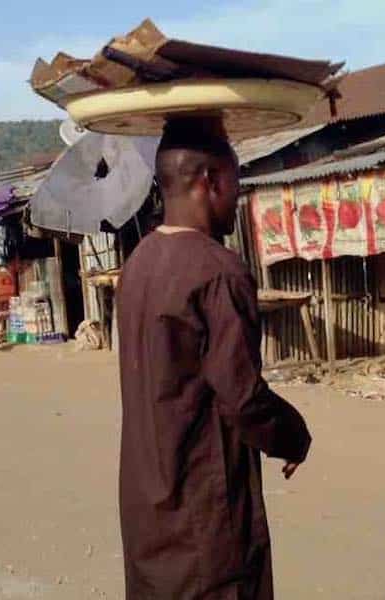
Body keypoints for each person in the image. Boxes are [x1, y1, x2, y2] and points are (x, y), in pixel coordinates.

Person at [115, 116, 312, 600]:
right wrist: (293, 435)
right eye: (236, 185)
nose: (237, 199)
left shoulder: (139, 263)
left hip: (148, 496)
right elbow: (241, 397)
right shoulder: (217, 271)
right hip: (204, 503)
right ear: (211, 181)